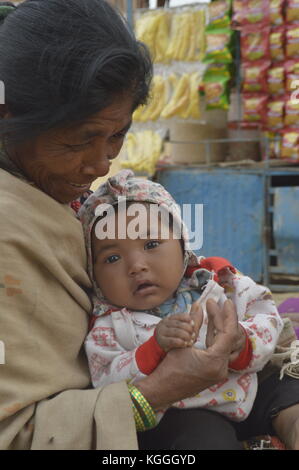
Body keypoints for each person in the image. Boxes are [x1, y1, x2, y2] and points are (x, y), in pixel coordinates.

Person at [0, 0, 297, 451]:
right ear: (9, 118)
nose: (101, 163)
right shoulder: (13, 230)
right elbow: (18, 433)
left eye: (118, 135)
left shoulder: (69, 196)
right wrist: (154, 391)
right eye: (80, 141)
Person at [79, 169, 299, 449]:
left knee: (289, 393)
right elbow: (107, 382)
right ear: (94, 275)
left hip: (250, 389)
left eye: (151, 244)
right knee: (200, 439)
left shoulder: (219, 283)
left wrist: (241, 341)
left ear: (182, 243)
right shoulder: (108, 326)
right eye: (112, 257)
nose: (136, 266)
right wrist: (152, 350)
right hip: (187, 413)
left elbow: (267, 317)